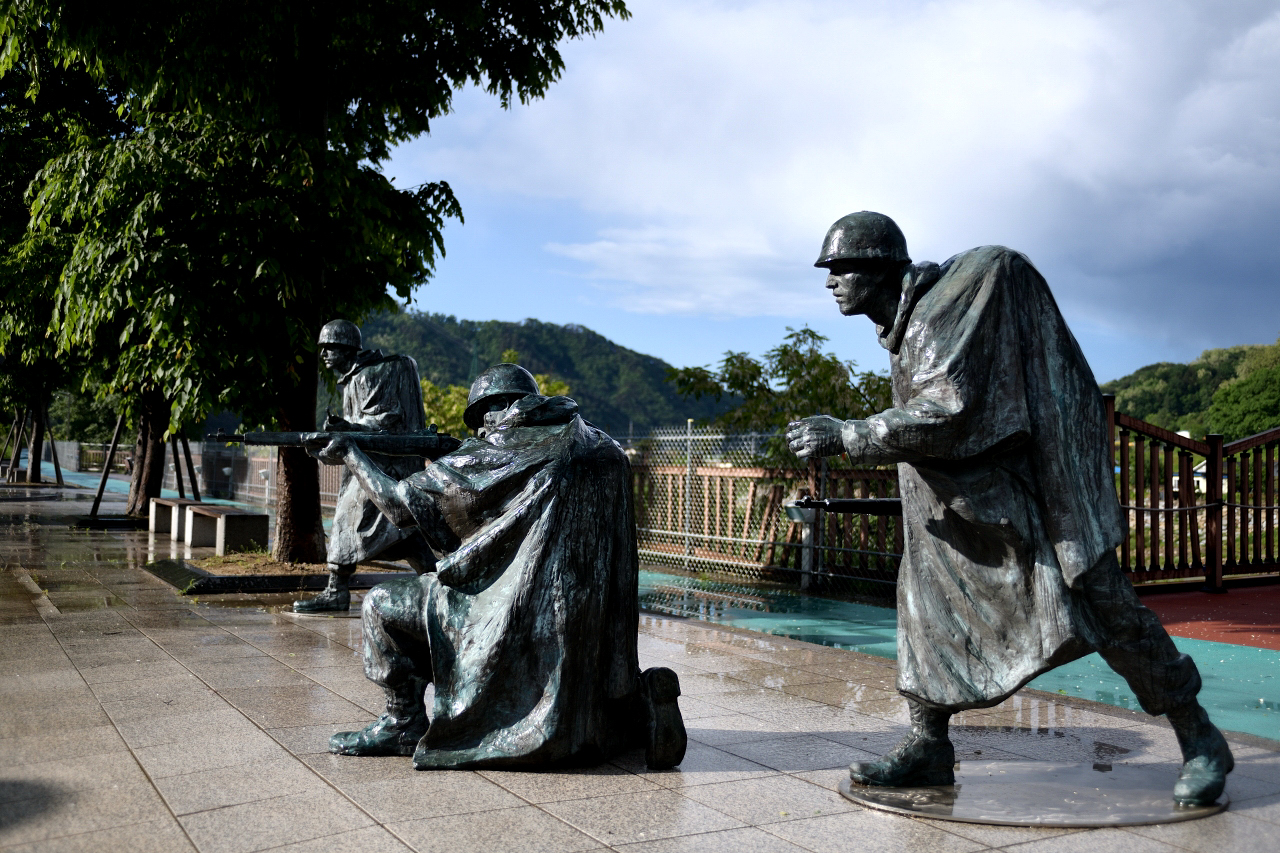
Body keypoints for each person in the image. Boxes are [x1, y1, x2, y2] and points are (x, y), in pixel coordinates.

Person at [785, 212, 1233, 806]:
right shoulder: (903, 323)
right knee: (922, 610)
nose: (831, 281)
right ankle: (928, 745)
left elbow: (951, 408)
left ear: (883, 267)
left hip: (1023, 502)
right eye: (830, 269)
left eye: (842, 267)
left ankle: (1200, 737)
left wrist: (848, 434)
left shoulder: (940, 313)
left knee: (1104, 605)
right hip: (949, 512)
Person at [311, 364, 687, 769]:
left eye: (481, 421)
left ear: (495, 408)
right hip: (588, 630)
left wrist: (351, 452)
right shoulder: (600, 445)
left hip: (512, 614)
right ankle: (641, 707)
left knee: (383, 603)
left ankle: (402, 722)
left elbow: (400, 507)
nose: (480, 433)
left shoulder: (500, 446)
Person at [293, 319, 437, 612]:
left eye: (330, 348)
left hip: (382, 468)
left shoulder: (366, 377)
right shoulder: (352, 380)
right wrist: (320, 447)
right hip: (367, 465)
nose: (324, 355)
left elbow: (384, 422)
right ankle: (438, 579)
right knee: (403, 533)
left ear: (348, 348)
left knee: (359, 524)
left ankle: (337, 591)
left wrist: (346, 427)